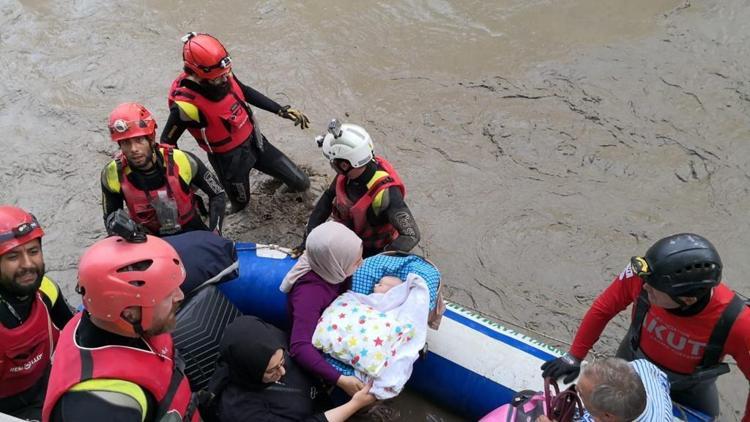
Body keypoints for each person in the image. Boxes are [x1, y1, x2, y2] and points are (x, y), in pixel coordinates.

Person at [540, 233, 750, 420]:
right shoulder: (644, 276)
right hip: (632, 366)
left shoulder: (739, 323)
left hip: (689, 390)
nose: (645, 287)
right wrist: (575, 356)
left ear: (687, 300)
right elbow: (603, 308)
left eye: (653, 290)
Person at [42, 235, 200, 422]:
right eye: (167, 295)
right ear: (129, 313)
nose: (180, 296)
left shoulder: (107, 321)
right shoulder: (99, 408)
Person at [162, 32, 311, 214]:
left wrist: (280, 110)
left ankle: (274, 182)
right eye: (218, 78)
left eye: (226, 74)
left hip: (256, 143)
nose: (225, 79)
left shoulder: (222, 73)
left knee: (301, 183)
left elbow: (244, 91)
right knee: (240, 205)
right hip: (229, 162)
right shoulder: (185, 106)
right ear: (198, 74)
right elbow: (167, 142)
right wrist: (182, 177)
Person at [208, 315, 376, 422]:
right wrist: (354, 405)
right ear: (249, 371)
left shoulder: (274, 342)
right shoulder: (240, 410)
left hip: (322, 404)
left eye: (282, 361)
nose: (282, 372)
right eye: (271, 370)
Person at [101, 102, 226, 236]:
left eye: (139, 140)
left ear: (151, 138)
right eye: (126, 143)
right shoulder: (112, 174)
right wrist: (128, 236)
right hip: (148, 239)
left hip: (190, 229)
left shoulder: (183, 160)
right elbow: (111, 219)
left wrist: (216, 231)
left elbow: (217, 194)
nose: (133, 149)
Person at [301, 120, 420, 258]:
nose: (332, 166)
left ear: (345, 165)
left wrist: (375, 263)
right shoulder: (348, 173)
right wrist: (308, 238)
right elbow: (327, 199)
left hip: (375, 248)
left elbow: (411, 235)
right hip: (350, 236)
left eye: (333, 162)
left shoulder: (387, 193)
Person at [0, 206, 73, 420]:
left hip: (48, 388)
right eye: (13, 256)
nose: (28, 265)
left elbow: (78, 334)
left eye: (33, 251)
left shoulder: (47, 291)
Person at [280, 221, 365, 397]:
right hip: (316, 335)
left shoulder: (328, 264)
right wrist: (340, 379)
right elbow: (299, 347)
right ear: (336, 264)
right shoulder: (309, 294)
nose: (362, 264)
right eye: (357, 262)